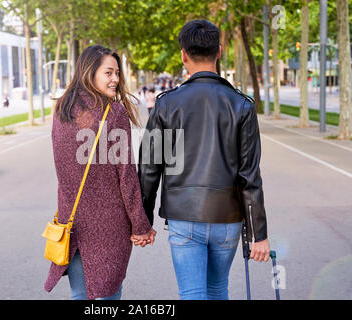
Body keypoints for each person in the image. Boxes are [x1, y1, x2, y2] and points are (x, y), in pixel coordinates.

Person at [138, 20, 270, 300]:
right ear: (219, 51)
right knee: (217, 289)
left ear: (183, 54)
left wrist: (143, 220)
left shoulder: (165, 104)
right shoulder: (242, 105)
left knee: (192, 294)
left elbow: (150, 167)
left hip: (183, 218)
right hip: (228, 217)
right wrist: (259, 233)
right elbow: (250, 177)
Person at [44, 44, 156, 300]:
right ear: (89, 71)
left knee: (80, 295)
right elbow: (126, 177)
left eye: (117, 73)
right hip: (109, 227)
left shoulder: (62, 109)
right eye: (108, 72)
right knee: (106, 297)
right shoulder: (112, 112)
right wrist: (141, 226)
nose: (115, 79)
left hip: (71, 223)